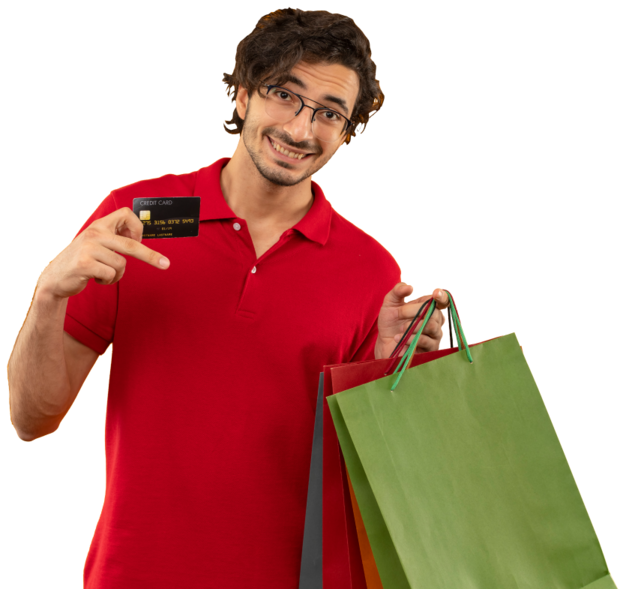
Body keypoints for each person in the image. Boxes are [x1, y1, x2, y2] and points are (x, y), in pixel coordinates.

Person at [7, 7, 449, 588]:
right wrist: (47, 296)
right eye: (284, 94)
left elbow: (376, 485)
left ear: (346, 133)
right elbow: (31, 420)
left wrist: (389, 373)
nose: (300, 129)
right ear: (241, 95)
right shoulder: (136, 218)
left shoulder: (371, 269)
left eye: (329, 113)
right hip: (137, 574)